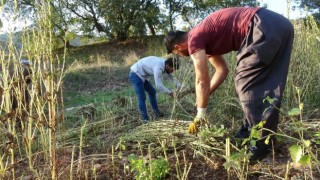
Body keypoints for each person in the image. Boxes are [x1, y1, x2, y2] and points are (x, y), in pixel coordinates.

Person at [164, 7, 294, 162]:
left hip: (260, 25)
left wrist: (200, 114)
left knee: (245, 83)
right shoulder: (204, 37)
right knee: (266, 81)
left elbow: (201, 80)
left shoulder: (194, 39)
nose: (181, 56)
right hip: (280, 25)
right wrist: (203, 98)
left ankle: (261, 144)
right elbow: (221, 70)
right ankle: (253, 130)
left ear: (177, 47)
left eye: (177, 54)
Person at [129, 56, 181, 123]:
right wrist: (170, 93)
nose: (172, 71)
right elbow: (159, 85)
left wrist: (180, 87)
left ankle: (157, 112)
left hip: (143, 75)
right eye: (172, 70)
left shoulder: (165, 63)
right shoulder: (158, 67)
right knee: (142, 97)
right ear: (167, 66)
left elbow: (172, 77)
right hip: (135, 74)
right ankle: (145, 120)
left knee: (152, 92)